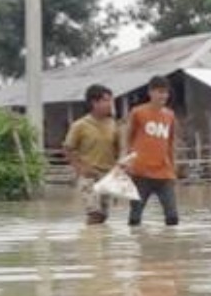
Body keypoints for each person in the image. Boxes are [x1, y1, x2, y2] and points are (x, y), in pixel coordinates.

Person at [124, 75, 179, 227]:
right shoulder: (138, 112)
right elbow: (127, 138)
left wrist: (174, 168)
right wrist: (126, 162)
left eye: (166, 92)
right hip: (141, 173)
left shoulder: (170, 115)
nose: (164, 96)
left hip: (164, 173)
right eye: (160, 92)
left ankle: (170, 247)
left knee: (172, 217)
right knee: (135, 218)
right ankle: (138, 248)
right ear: (151, 92)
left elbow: (171, 142)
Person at [62, 84, 119, 225]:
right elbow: (68, 148)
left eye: (111, 101)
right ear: (94, 102)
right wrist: (80, 168)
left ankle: (97, 243)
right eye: (106, 100)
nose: (110, 104)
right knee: (95, 214)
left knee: (104, 216)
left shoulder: (113, 124)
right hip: (89, 176)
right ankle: (89, 244)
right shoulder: (80, 125)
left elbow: (118, 149)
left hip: (107, 175)